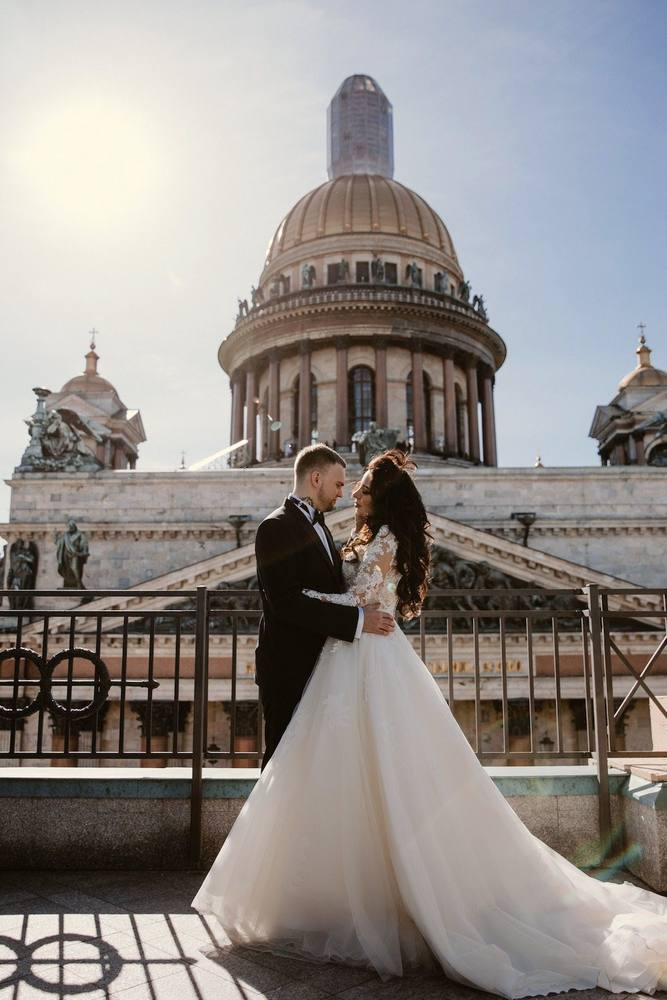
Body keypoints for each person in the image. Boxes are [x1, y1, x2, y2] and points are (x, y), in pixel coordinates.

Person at [193, 450, 667, 996]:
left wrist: (350, 613)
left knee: (374, 778)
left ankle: (374, 898)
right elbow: (302, 599)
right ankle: (345, 895)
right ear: (318, 477)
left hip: (361, 660)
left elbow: (357, 597)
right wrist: (350, 615)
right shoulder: (300, 527)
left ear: (377, 493)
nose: (351, 493)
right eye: (345, 483)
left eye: (360, 486)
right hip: (342, 659)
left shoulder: (376, 538)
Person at [252, 443, 395, 769]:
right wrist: (359, 621)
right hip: (289, 669)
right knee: (282, 763)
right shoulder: (275, 527)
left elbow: (332, 588)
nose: (343, 494)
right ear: (316, 478)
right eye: (339, 484)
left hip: (325, 667)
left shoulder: (319, 525)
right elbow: (285, 602)